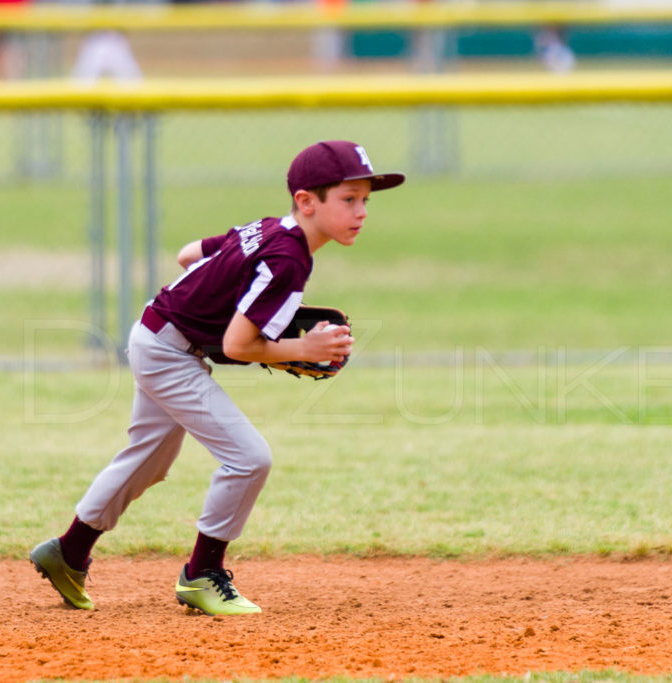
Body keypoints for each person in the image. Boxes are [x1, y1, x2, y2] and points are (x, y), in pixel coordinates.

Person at [30, 140, 405, 616]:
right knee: (250, 458)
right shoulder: (289, 258)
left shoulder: (269, 230)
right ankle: (201, 573)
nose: (362, 211)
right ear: (307, 201)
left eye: (366, 199)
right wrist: (301, 349)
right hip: (168, 352)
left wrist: (223, 301)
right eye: (348, 199)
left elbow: (190, 255)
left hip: (156, 332)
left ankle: (68, 552)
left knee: (148, 461)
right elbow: (236, 345)